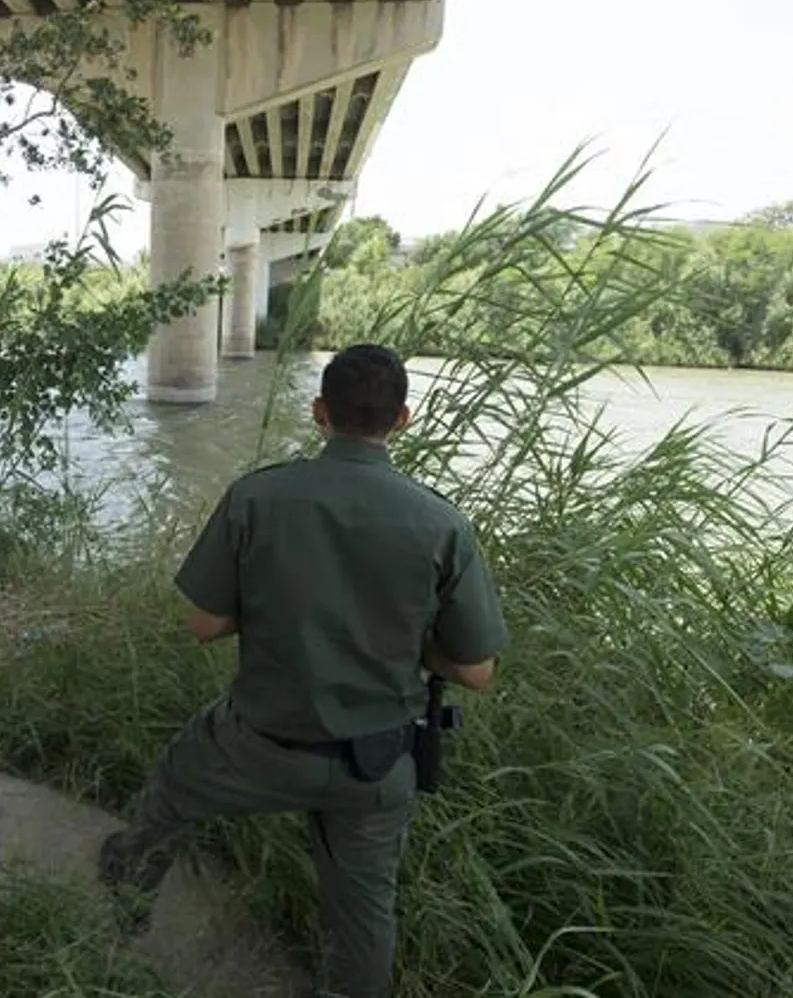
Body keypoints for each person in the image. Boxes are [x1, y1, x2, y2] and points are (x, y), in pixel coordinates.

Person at [96, 343, 508, 998]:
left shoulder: (258, 495)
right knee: (365, 916)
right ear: (403, 419)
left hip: (256, 744)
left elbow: (203, 624)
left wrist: (273, 608)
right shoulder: (441, 523)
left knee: (173, 784)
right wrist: (418, 647)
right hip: (375, 764)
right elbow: (477, 669)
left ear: (319, 412)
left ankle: (124, 907)